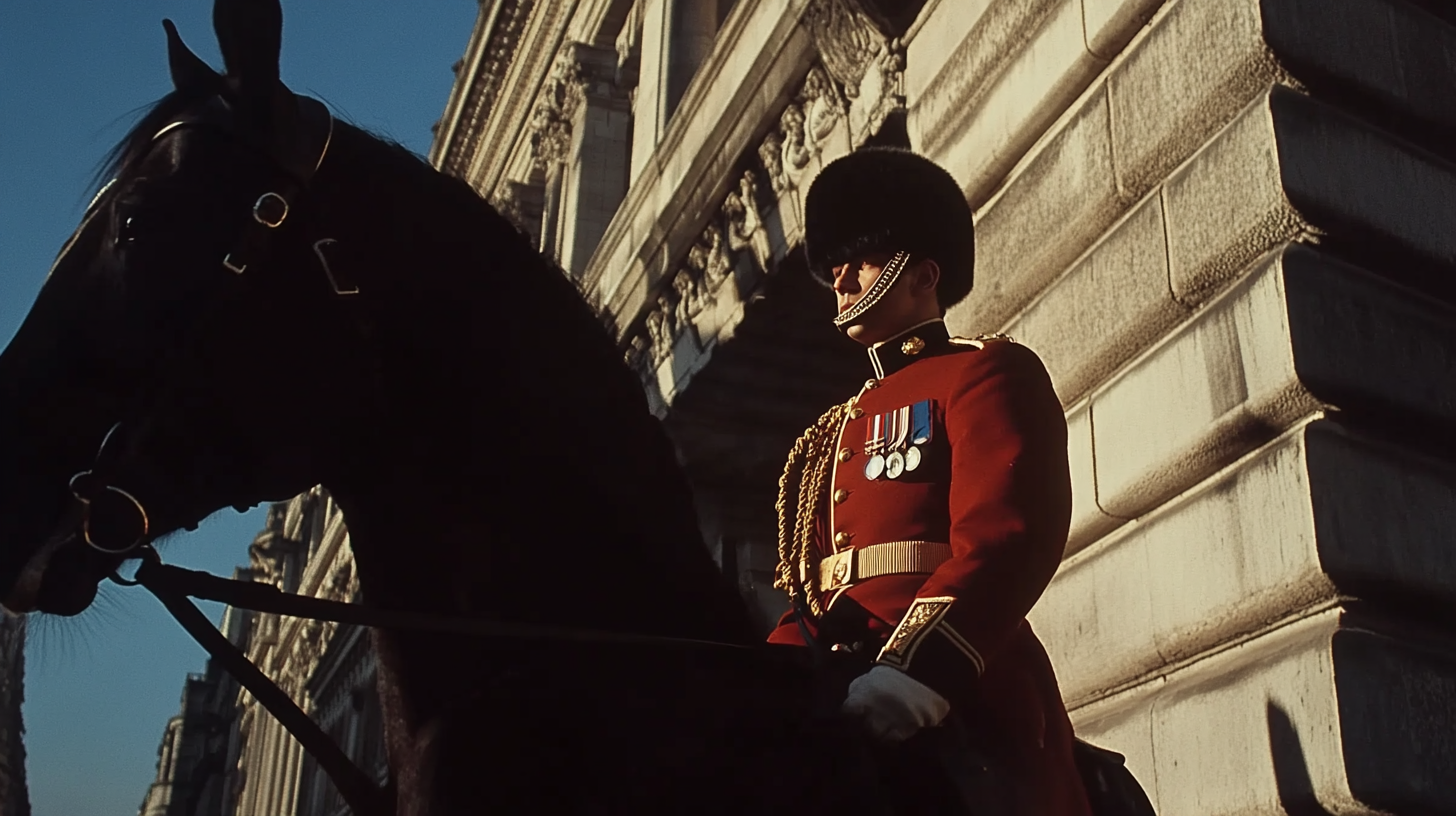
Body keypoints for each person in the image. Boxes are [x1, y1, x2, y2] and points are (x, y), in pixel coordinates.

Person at [769, 146, 1092, 815]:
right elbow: (813, 584)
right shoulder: (835, 426)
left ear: (922, 273)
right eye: (834, 265)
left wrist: (915, 672)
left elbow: (1008, 536)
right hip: (836, 676)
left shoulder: (983, 372)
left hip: (955, 686)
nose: (841, 279)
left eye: (859, 259)